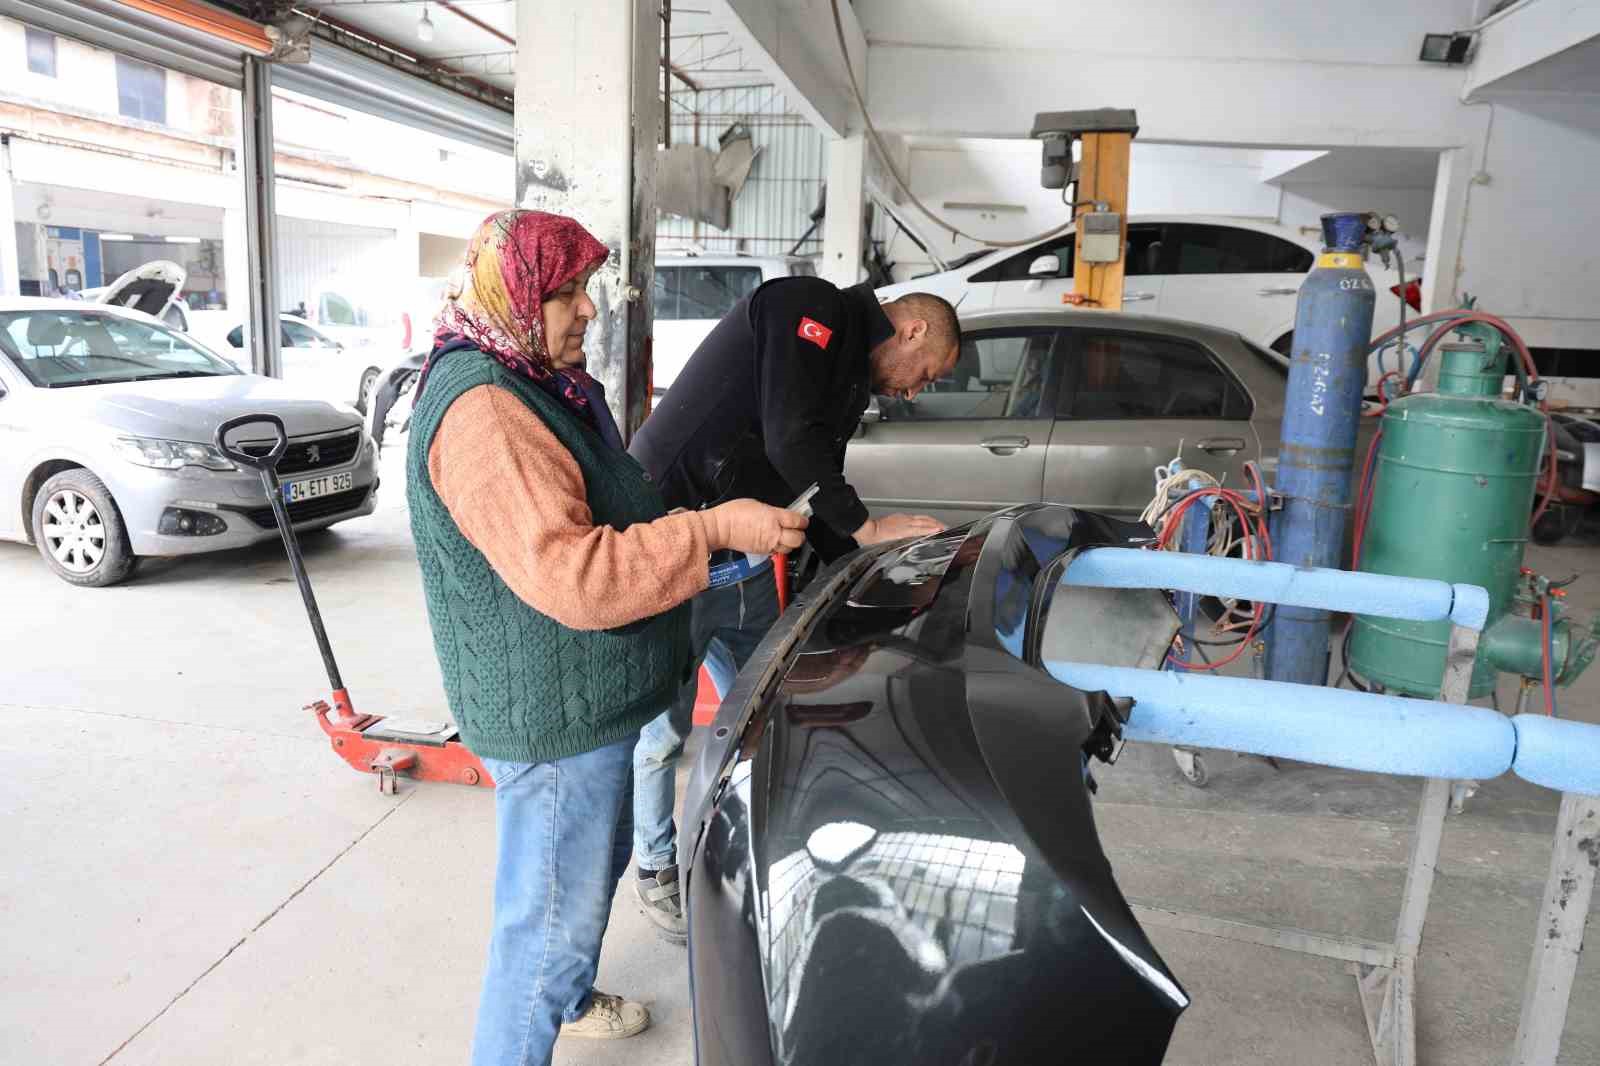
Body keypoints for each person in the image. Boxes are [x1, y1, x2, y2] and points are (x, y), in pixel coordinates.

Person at [406, 209, 808, 1066]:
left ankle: (571, 988)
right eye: (567, 292)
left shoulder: (528, 380)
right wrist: (708, 532)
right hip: (555, 720)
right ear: (514, 296)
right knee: (543, 935)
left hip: (585, 702)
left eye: (586, 288)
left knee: (574, 890)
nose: (588, 309)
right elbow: (576, 574)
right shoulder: (486, 411)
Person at [626, 274, 963, 940]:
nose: (916, 390)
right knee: (662, 733)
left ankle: (754, 852)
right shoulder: (807, 307)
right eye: (926, 373)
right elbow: (788, 439)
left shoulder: (845, 383)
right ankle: (655, 866)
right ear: (912, 330)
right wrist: (867, 527)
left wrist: (858, 560)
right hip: (673, 547)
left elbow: (810, 482)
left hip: (744, 564)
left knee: (767, 721)